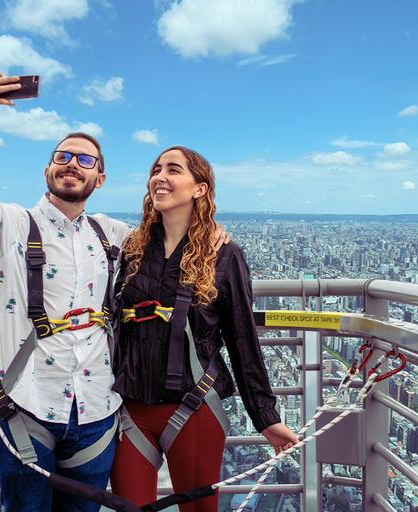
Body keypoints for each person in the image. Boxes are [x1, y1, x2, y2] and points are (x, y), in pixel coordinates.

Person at [0, 72, 135, 512]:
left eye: (85, 160)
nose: (72, 164)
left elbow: (173, 242)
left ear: (101, 179)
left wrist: (212, 226)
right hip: (25, 403)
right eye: (63, 156)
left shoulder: (112, 234)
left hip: (95, 409)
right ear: (48, 169)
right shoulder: (15, 224)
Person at [110, 146, 299, 512]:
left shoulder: (224, 255)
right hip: (129, 409)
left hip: (193, 408)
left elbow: (242, 338)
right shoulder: (130, 248)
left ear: (200, 188)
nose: (160, 177)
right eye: (156, 169)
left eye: (173, 170)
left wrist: (266, 417)